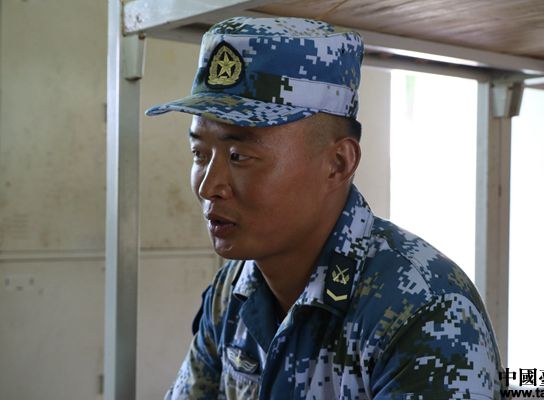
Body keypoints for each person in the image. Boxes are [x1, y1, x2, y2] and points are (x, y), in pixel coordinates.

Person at [146, 16, 506, 400]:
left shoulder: (422, 310)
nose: (208, 187)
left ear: (337, 164)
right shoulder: (232, 291)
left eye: (239, 156)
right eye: (199, 153)